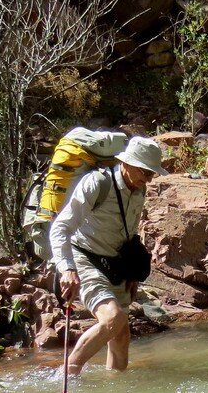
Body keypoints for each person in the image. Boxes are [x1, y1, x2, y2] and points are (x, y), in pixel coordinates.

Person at [49, 135, 167, 374]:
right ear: (127, 163)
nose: (148, 178)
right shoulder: (96, 184)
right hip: (83, 258)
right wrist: (67, 269)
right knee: (113, 319)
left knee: (121, 333)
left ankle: (115, 390)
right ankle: (66, 374)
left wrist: (132, 274)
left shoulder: (138, 190)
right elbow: (60, 228)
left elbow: (129, 234)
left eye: (152, 173)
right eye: (145, 171)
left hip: (115, 266)